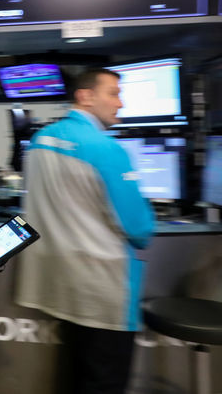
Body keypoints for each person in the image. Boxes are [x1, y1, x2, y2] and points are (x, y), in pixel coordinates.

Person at [15, 68, 155, 394]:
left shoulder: (39, 140)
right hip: (103, 291)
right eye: (113, 93)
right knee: (103, 381)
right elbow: (140, 229)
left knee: (73, 376)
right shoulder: (106, 149)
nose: (120, 103)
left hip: (61, 285)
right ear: (85, 96)